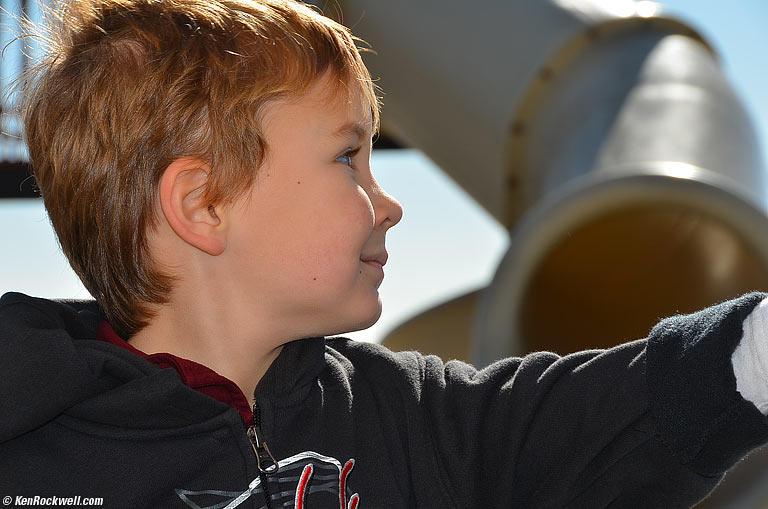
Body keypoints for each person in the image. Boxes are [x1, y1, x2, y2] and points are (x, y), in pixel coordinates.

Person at [2, 0, 768, 507]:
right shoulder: (28, 444)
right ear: (203, 206)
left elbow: (598, 411)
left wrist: (753, 352)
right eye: (348, 158)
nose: (390, 201)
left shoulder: (411, 415)